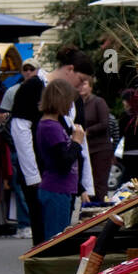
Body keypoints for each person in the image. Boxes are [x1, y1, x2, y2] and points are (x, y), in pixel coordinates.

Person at [10, 47, 93, 245]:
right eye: (80, 79)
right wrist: (33, 178)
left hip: (65, 182)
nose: (81, 85)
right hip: (46, 179)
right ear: (69, 70)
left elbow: (81, 141)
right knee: (49, 238)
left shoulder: (73, 101)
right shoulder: (32, 89)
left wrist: (85, 184)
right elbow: (20, 131)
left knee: (60, 234)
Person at [34, 79, 88, 239]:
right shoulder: (51, 127)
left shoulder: (51, 125)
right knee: (56, 239)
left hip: (59, 189)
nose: (71, 106)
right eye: (70, 101)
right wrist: (77, 142)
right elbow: (63, 163)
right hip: (56, 189)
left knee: (57, 236)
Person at [0, 58, 39, 238]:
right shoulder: (12, 91)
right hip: (18, 145)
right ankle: (25, 223)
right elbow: (3, 120)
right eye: (26, 69)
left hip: (38, 143)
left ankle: (35, 222)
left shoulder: (43, 89)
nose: (29, 72)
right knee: (22, 185)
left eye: (32, 69)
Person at [78, 76, 113, 203]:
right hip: (85, 148)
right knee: (87, 182)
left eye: (84, 84)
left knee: (99, 182)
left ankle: (101, 213)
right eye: (79, 84)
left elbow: (105, 123)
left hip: (100, 148)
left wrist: (88, 132)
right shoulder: (77, 104)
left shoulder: (98, 102)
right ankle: (88, 211)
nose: (81, 86)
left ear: (91, 86)